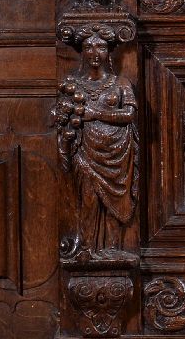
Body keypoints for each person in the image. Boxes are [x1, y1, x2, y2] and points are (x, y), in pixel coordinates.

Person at [53, 28, 138, 257]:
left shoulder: (120, 83)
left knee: (115, 203)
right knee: (89, 199)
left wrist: (95, 113)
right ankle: (88, 249)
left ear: (109, 51)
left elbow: (129, 115)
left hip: (117, 152)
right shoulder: (73, 85)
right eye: (89, 47)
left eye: (100, 46)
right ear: (82, 50)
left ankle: (113, 249)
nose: (94, 52)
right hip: (85, 150)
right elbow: (61, 116)